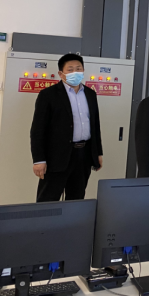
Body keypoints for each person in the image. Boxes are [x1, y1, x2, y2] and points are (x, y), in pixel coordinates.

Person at [31, 54, 103, 202]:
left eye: (78, 69)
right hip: (56, 157)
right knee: (48, 198)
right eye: (70, 69)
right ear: (61, 73)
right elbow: (38, 130)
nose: (75, 72)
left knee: (76, 197)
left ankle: (72, 218)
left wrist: (98, 153)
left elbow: (95, 126)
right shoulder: (48, 95)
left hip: (83, 155)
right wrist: (38, 160)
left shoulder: (90, 94)